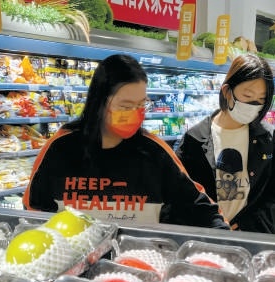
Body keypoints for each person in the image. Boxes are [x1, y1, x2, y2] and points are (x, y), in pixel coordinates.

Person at [22, 54, 229, 230]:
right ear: (100, 102)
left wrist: (227, 241)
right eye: (126, 106)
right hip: (71, 261)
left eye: (141, 105)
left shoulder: (155, 152)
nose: (135, 113)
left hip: (136, 260)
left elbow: (200, 209)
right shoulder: (61, 148)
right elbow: (33, 210)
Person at [174, 53, 275, 234]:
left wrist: (249, 226)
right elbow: (179, 197)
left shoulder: (272, 142)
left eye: (261, 100)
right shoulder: (194, 139)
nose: (254, 105)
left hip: (252, 240)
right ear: (227, 91)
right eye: (247, 95)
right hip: (205, 239)